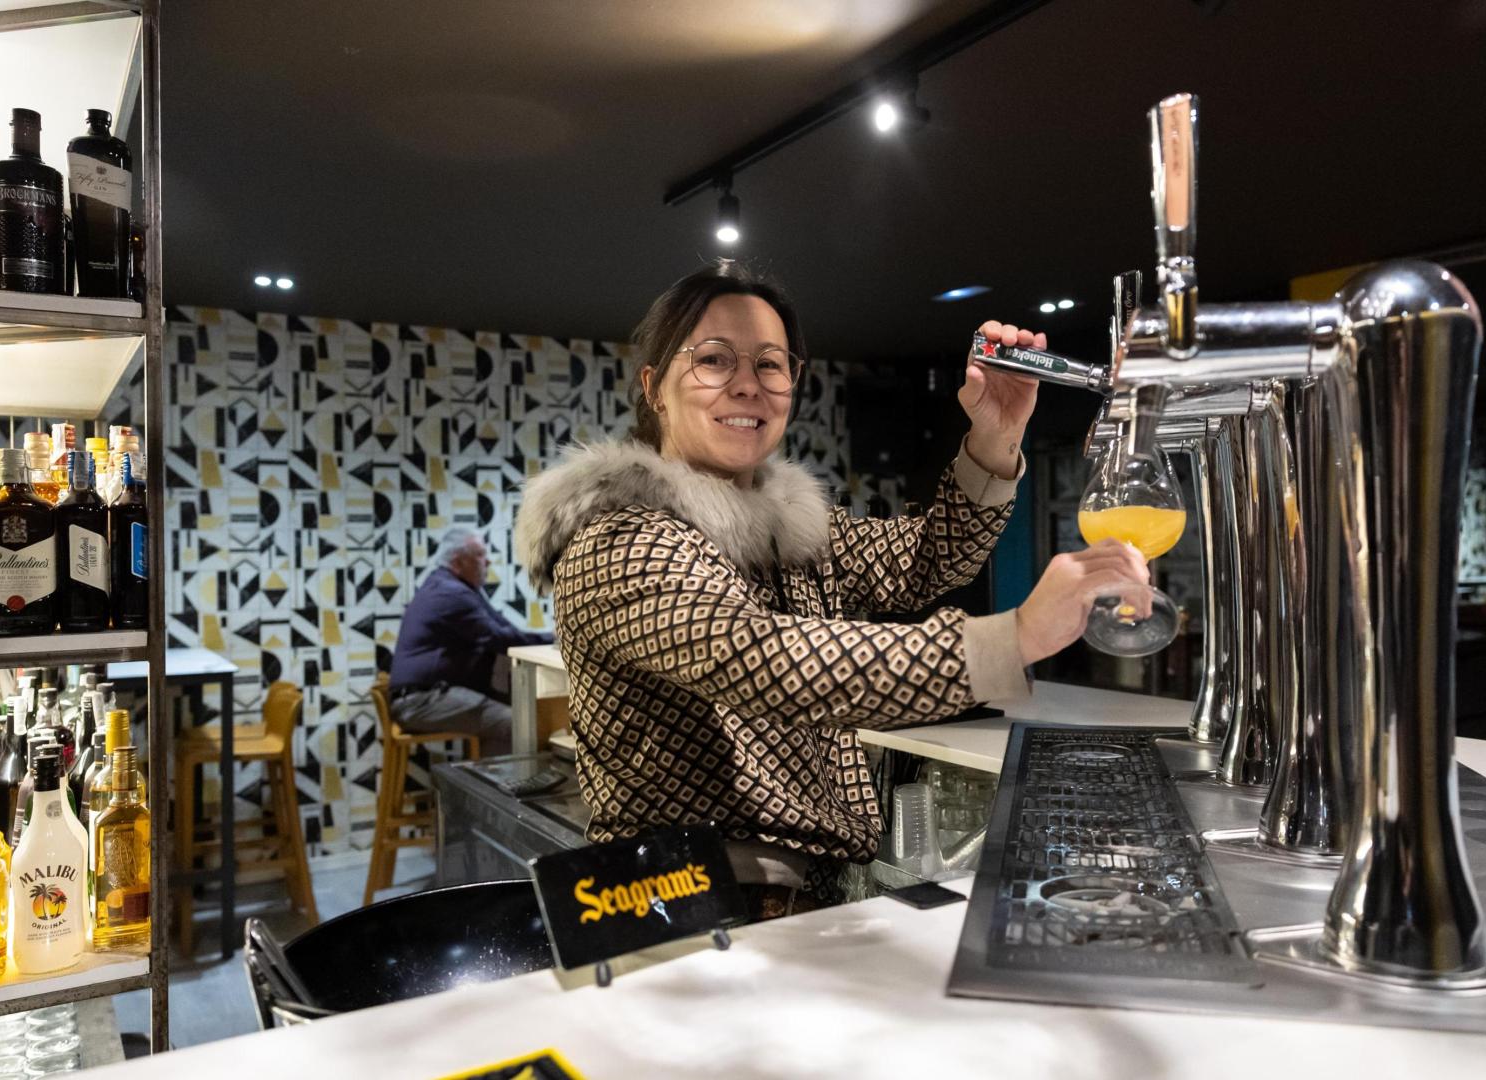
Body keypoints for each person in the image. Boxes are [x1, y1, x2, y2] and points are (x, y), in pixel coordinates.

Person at [515, 261, 1147, 918]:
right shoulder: (620, 536)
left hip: (792, 892)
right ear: (654, 387)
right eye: (713, 360)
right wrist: (1009, 640)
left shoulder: (786, 529)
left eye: (770, 364)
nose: (746, 386)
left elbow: (928, 562)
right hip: (686, 899)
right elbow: (759, 658)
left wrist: (995, 436)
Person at [387, 528, 554, 756]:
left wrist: (547, 638)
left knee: (517, 717)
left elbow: (505, 631)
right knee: (521, 726)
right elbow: (500, 639)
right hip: (422, 701)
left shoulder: (454, 588)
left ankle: (499, 786)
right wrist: (554, 638)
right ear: (458, 561)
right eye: (480, 555)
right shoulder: (451, 594)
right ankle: (503, 789)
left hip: (424, 696)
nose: (487, 561)